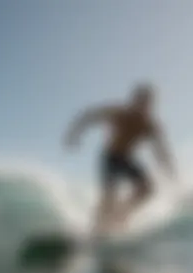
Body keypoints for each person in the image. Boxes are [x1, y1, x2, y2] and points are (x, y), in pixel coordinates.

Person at [63, 83, 177, 234]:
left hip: (127, 159)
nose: (142, 106)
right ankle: (95, 228)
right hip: (110, 158)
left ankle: (122, 214)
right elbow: (90, 115)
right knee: (109, 196)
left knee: (147, 190)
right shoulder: (120, 113)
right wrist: (74, 134)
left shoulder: (150, 125)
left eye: (146, 103)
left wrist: (170, 171)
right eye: (139, 101)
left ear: (150, 105)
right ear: (134, 101)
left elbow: (161, 151)